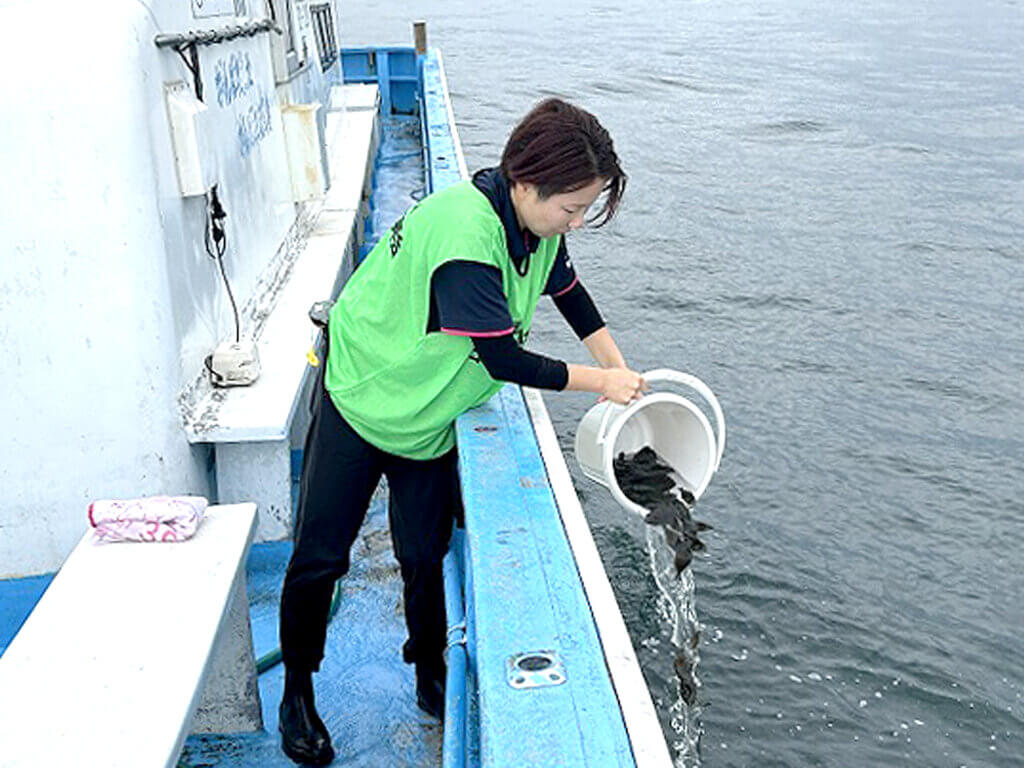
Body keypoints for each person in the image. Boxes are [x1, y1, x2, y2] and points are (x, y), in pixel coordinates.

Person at [277, 97, 646, 766]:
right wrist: (601, 386)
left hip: (429, 413)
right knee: (320, 557)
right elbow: (504, 360)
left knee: (421, 555)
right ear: (527, 184)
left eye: (586, 209)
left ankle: (428, 673)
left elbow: (571, 296)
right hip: (364, 396)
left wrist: (623, 373)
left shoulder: (535, 225)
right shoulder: (465, 240)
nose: (578, 222)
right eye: (572, 208)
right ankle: (297, 693)